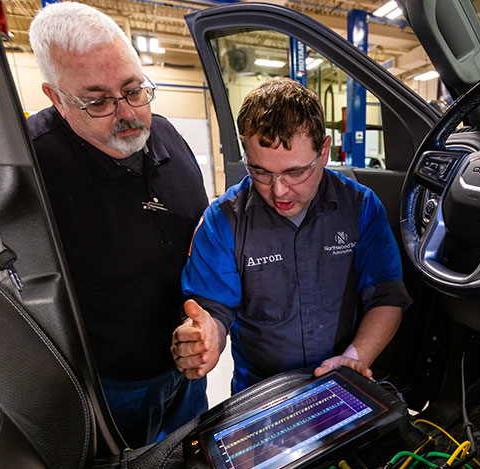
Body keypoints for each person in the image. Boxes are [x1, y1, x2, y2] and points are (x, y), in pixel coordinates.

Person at [27, 2, 209, 447]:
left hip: (188, 375)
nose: (127, 113)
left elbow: (202, 241)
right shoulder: (31, 167)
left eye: (133, 89)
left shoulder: (166, 135)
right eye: (98, 102)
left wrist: (212, 322)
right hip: (110, 391)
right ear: (56, 98)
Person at [171, 77, 410, 393]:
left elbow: (386, 295)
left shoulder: (361, 207)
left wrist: (354, 358)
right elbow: (212, 309)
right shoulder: (222, 221)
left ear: (324, 151)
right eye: (260, 171)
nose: (279, 190)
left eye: (295, 172)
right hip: (261, 391)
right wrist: (205, 339)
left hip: (343, 380)